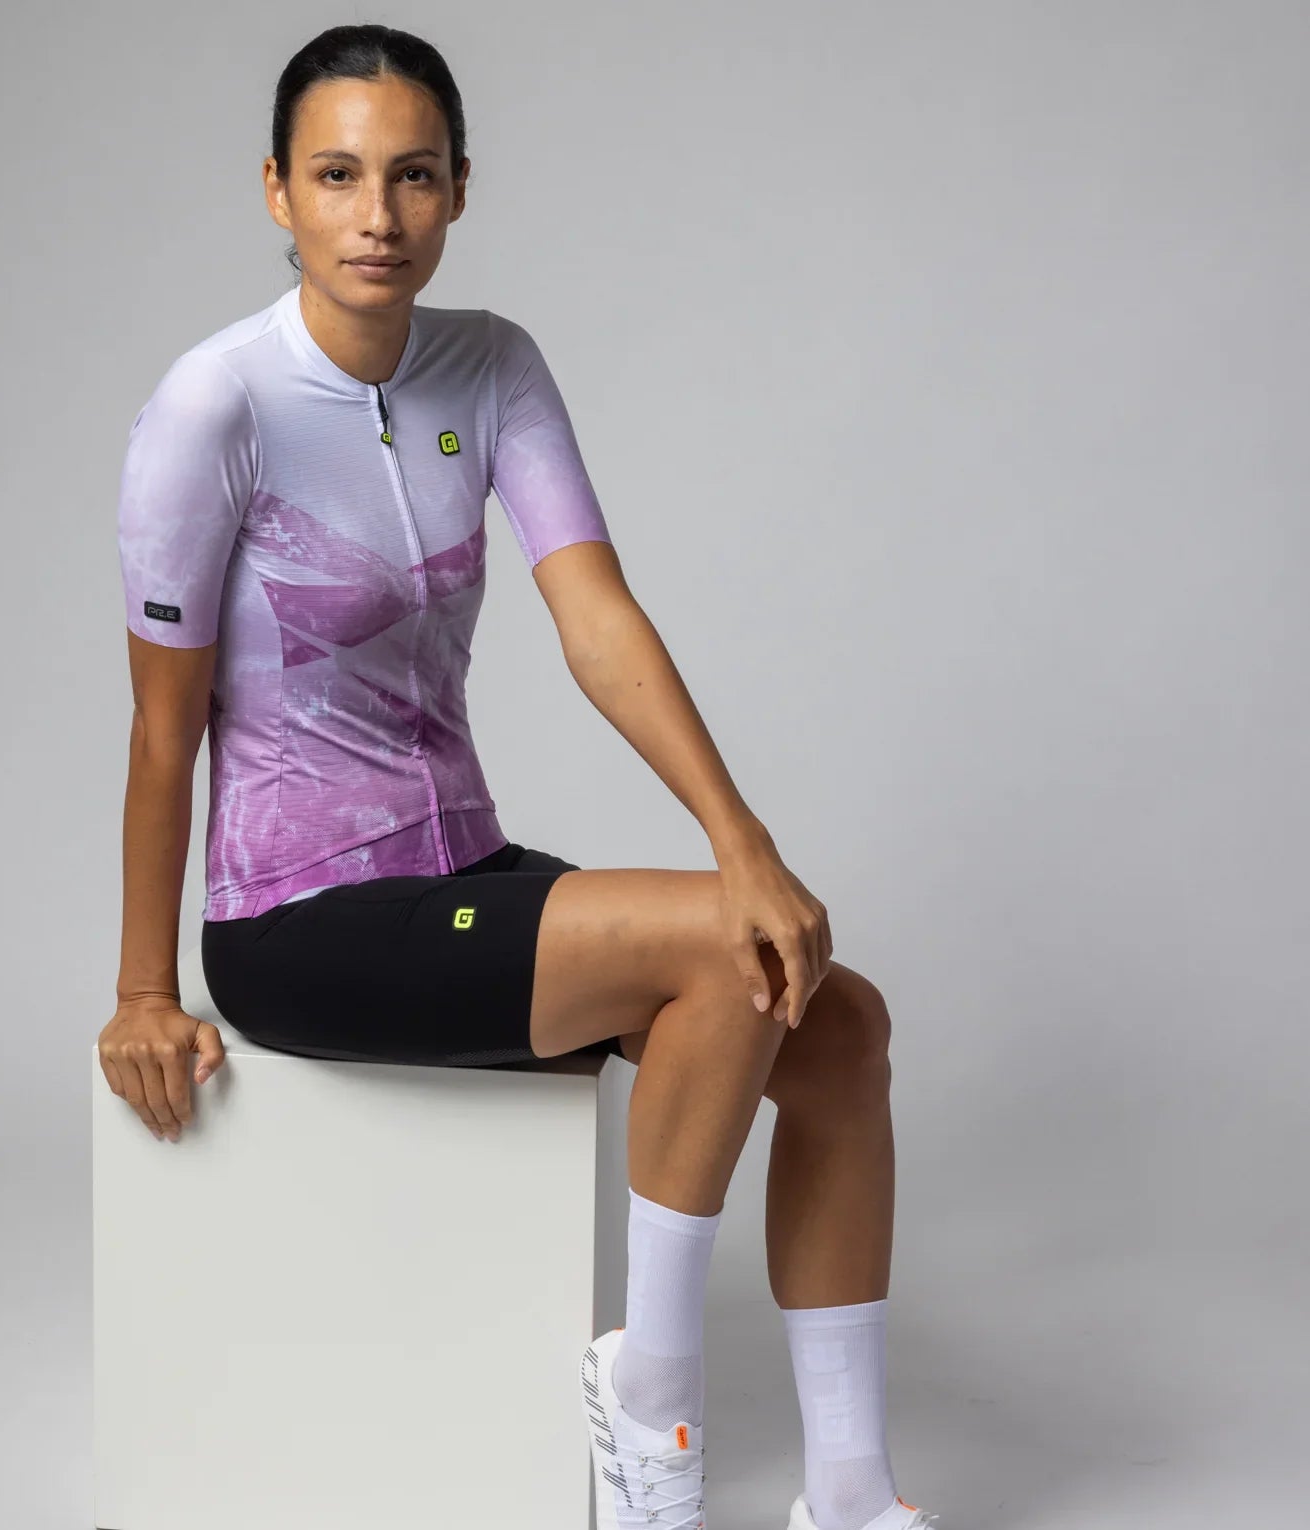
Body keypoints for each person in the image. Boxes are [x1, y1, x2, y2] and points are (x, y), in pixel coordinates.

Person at [96, 23, 940, 1530]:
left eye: (413, 176)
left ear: (459, 189)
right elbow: (165, 730)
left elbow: (593, 615)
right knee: (720, 947)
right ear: (276, 190)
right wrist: (143, 988)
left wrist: (739, 839)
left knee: (838, 1024)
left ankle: (852, 1496)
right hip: (297, 916)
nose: (378, 215)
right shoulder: (212, 407)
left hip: (459, 872)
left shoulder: (492, 365)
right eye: (337, 176)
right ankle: (650, 1399)